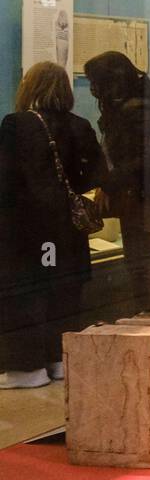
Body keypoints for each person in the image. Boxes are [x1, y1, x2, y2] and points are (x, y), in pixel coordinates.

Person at [0, 62, 105, 389]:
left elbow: (4, 181)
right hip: (67, 227)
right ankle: (60, 360)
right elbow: (96, 175)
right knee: (64, 293)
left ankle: (26, 369)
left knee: (24, 296)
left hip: (25, 228)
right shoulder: (80, 125)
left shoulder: (16, 125)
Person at [84, 51, 150, 310]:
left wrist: (110, 182)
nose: (92, 89)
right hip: (139, 188)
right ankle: (145, 308)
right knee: (138, 255)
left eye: (95, 82)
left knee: (140, 257)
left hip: (140, 190)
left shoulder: (137, 109)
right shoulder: (139, 104)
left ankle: (147, 310)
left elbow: (144, 159)